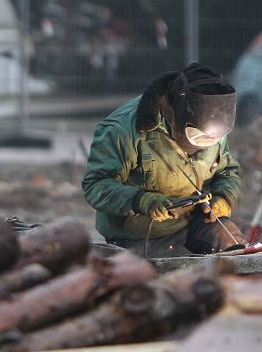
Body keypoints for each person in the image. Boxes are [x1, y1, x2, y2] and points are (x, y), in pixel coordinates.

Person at [81, 62, 244, 258]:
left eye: (212, 139)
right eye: (198, 136)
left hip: (195, 223)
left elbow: (227, 171)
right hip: (139, 237)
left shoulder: (211, 123)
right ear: (174, 111)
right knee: (184, 274)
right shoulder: (122, 131)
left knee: (236, 251)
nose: (205, 143)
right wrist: (141, 200)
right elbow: (95, 185)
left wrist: (224, 197)